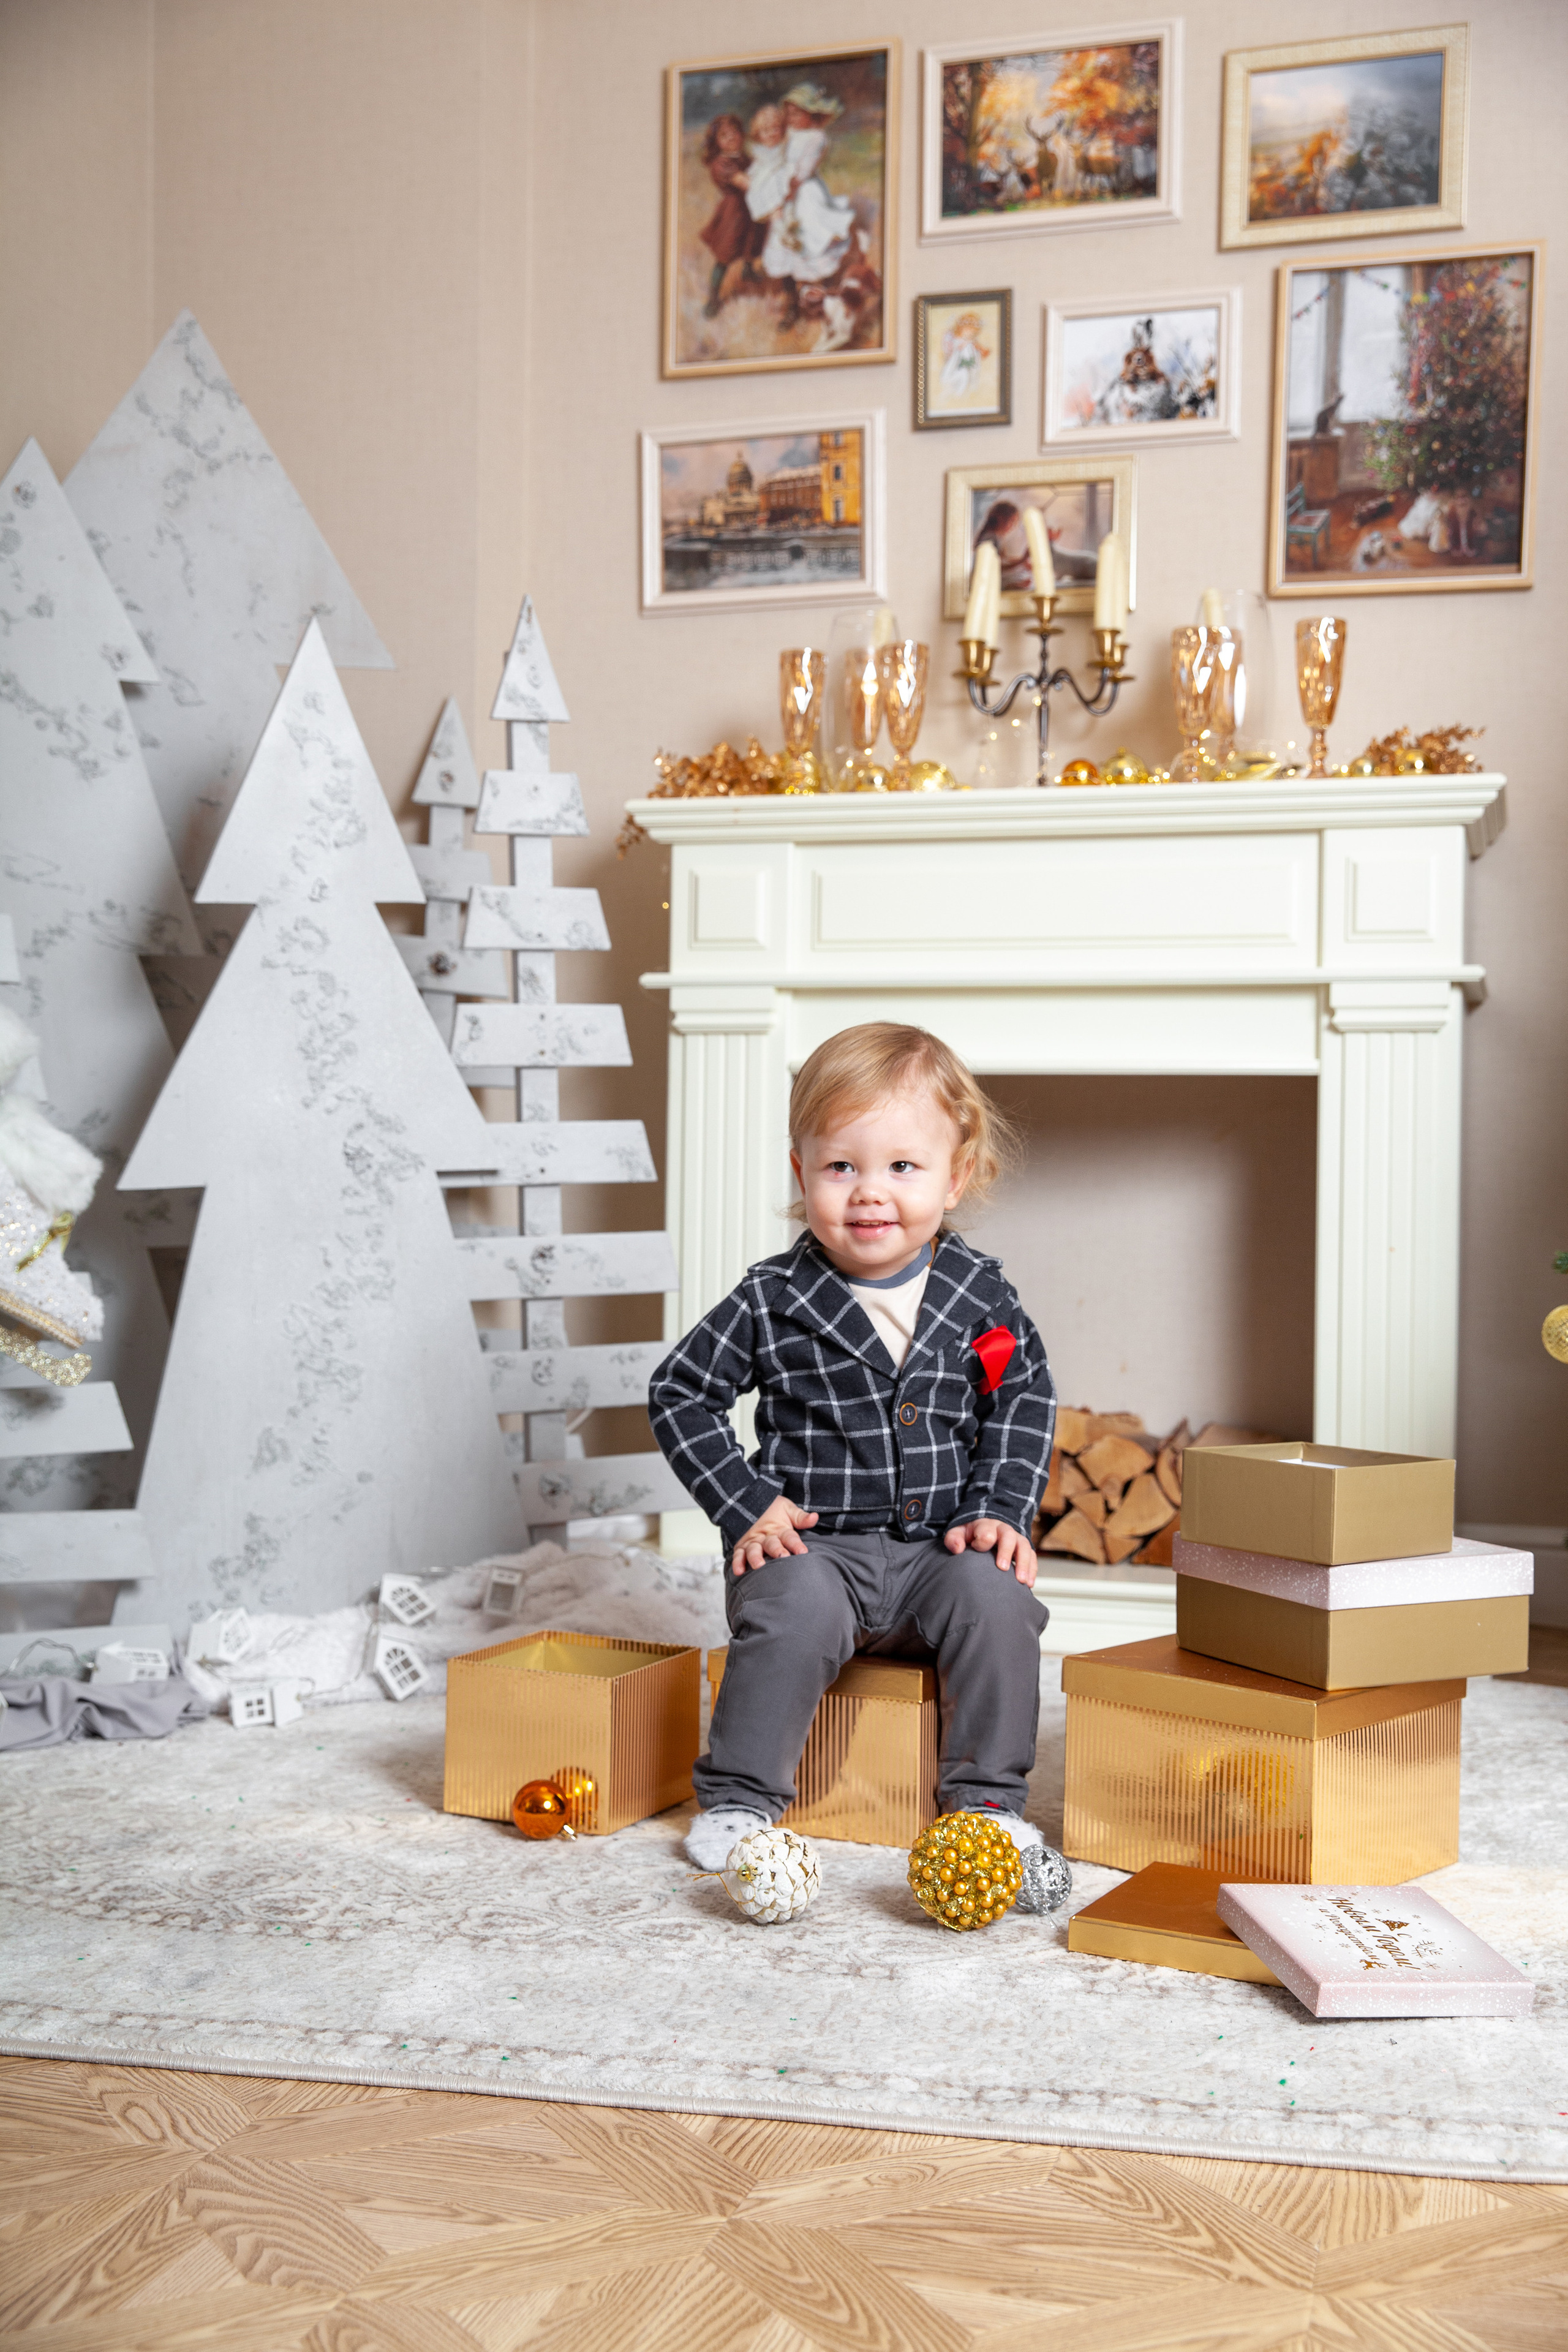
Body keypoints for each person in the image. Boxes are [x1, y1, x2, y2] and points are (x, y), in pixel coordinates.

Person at [649, 1022, 1068, 1912]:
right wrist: (747, 1502)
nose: (870, 1192)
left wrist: (999, 1509)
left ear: (956, 1177)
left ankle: (987, 1804)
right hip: (817, 1548)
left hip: (939, 1552)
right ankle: (740, 1797)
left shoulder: (980, 1297)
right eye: (841, 1166)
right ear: (800, 1173)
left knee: (998, 1600)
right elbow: (680, 1393)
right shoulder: (772, 1299)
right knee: (791, 1610)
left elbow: (1021, 1398)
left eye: (903, 1167)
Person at [697, 113, 761, 320]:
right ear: (716, 142)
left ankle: (748, 270)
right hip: (734, 214)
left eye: (735, 133)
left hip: (751, 209)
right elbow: (746, 183)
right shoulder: (721, 164)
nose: (732, 138)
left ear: (742, 135)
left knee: (753, 241)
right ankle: (713, 298)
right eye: (725, 135)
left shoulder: (743, 157)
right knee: (725, 255)